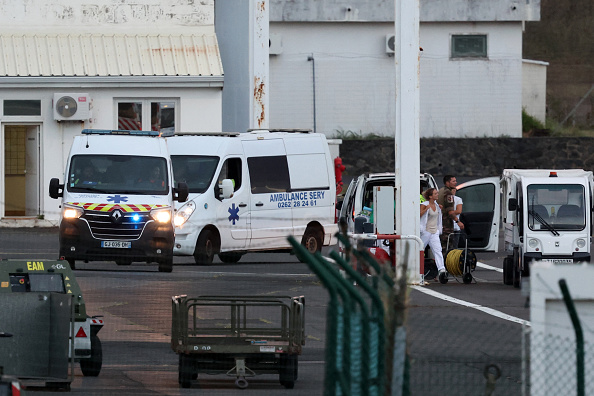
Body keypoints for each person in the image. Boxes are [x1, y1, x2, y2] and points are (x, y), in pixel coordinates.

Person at [420, 188, 446, 278]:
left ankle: (442, 270)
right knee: (419, 248)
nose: (437, 195)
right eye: (435, 193)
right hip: (426, 232)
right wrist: (425, 209)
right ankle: (414, 268)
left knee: (438, 250)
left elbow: (438, 218)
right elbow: (418, 215)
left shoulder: (437, 205)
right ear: (430, 196)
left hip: (434, 231)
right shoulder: (424, 205)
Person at [437, 174, 460, 251]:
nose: (455, 182)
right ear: (447, 182)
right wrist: (457, 221)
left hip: (440, 223)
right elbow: (450, 212)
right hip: (446, 225)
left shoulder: (440, 191)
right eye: (453, 181)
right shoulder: (448, 194)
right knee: (447, 247)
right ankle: (445, 262)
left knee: (441, 246)